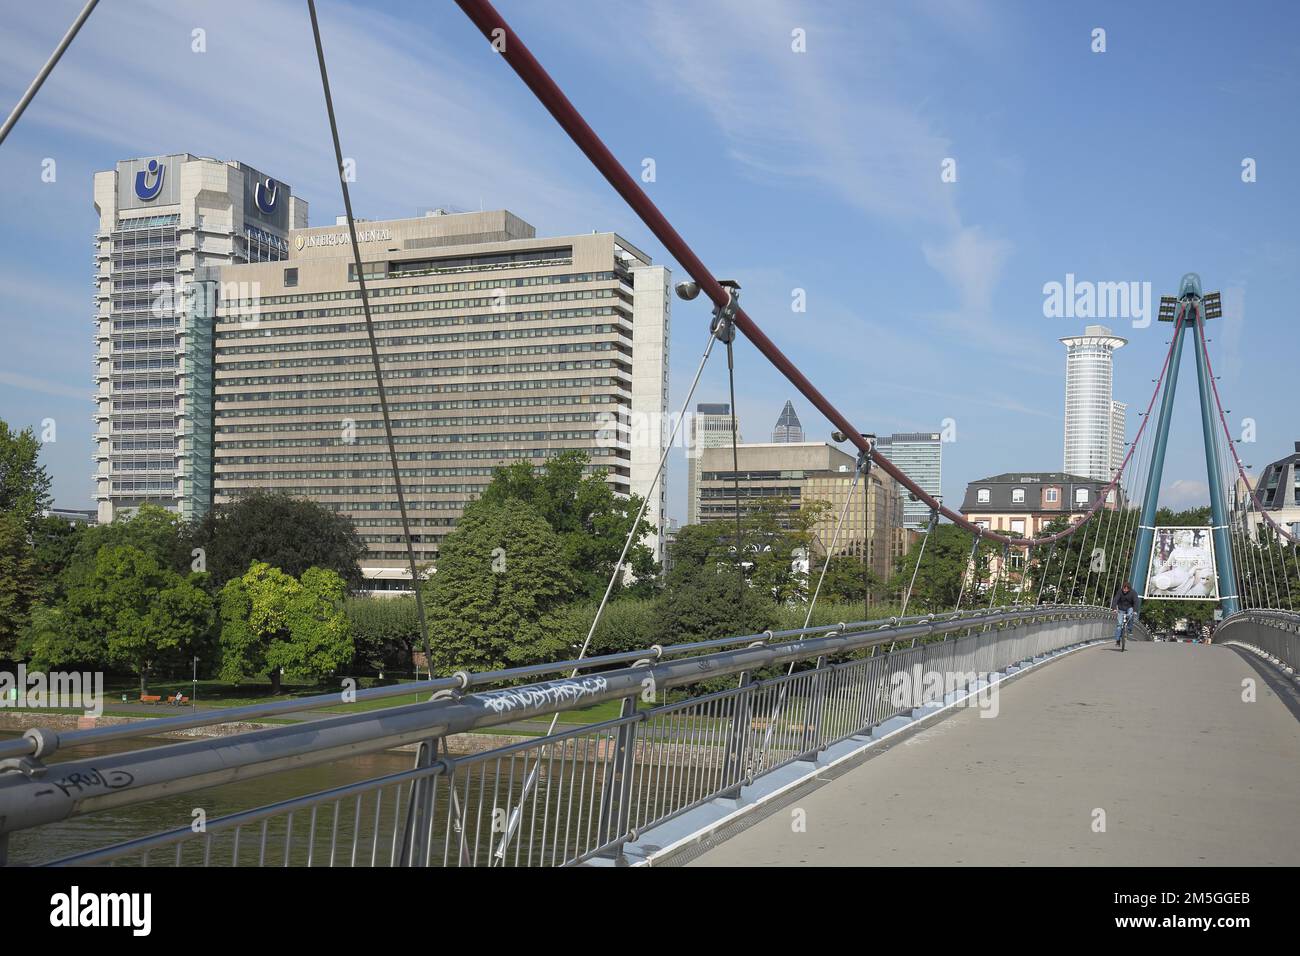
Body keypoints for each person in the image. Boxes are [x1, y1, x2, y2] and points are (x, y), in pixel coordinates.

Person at [1112, 581, 1137, 646]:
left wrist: (1135, 611)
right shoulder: (1120, 592)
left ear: (1129, 589)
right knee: (1119, 625)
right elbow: (1115, 600)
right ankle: (1117, 641)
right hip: (1121, 609)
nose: (1125, 590)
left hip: (1129, 607)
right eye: (1124, 589)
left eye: (1126, 589)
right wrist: (1114, 608)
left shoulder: (1133, 593)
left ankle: (1130, 629)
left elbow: (1136, 601)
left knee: (1130, 616)